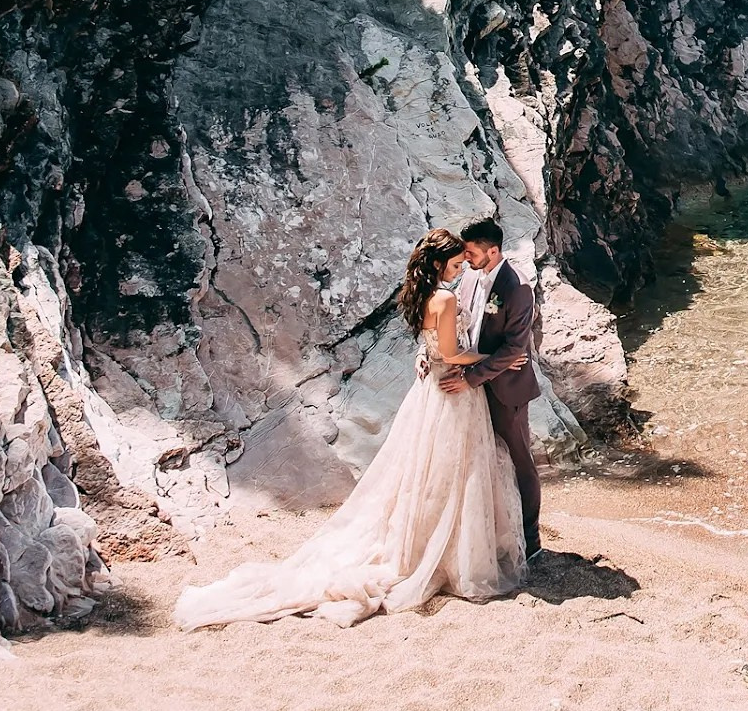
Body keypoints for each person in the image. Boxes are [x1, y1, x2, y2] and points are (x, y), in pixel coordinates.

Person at [173, 229, 529, 629]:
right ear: (437, 263)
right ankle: (446, 550)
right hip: (452, 389)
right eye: (456, 261)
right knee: (455, 467)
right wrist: (495, 357)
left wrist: (428, 354)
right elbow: (448, 350)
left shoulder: (426, 293)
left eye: (465, 261)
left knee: (433, 469)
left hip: (432, 389)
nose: (462, 265)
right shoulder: (444, 297)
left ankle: (434, 541)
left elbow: (431, 342)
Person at [439, 218, 543, 558]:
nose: (466, 258)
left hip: (507, 390)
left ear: (493, 251)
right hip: (476, 387)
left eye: (471, 252)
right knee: (480, 460)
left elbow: (515, 349)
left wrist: (470, 376)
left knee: (519, 461)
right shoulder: (470, 276)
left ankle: (531, 540)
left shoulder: (518, 288)